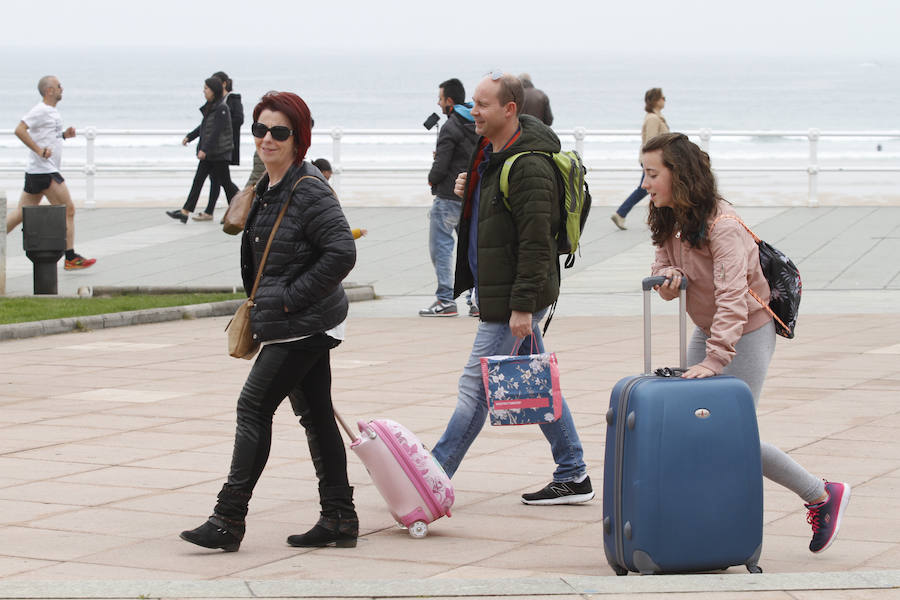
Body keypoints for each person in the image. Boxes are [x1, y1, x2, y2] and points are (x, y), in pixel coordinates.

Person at [645, 132, 850, 554]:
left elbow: (734, 299)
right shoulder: (668, 215)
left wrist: (716, 359)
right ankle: (704, 519)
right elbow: (664, 265)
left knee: (728, 434)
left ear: (678, 175)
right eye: (643, 173)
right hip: (709, 325)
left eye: (652, 174)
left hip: (749, 329)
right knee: (699, 429)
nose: (645, 184)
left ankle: (821, 494)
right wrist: (669, 282)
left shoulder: (723, 227)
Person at [179, 91, 359, 551]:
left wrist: (286, 300)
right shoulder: (269, 185)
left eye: (279, 131)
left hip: (303, 323)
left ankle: (228, 519)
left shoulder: (309, 187)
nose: (267, 139)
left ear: (299, 138)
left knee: (253, 407)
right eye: (260, 130)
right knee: (317, 416)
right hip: (295, 321)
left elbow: (342, 252)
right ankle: (339, 517)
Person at [431, 72, 593, 505]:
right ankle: (573, 472)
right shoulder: (497, 154)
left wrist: (521, 306)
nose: (473, 112)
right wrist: (470, 190)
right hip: (501, 293)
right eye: (473, 104)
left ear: (509, 110)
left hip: (513, 299)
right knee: (536, 383)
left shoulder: (529, 164)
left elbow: (537, 243)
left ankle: (432, 475)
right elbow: (498, 221)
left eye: (482, 105)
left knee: (475, 389)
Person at [6, 76, 96, 270]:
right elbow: (20, 130)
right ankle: (70, 257)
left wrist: (64, 135)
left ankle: (70, 257)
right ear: (49, 91)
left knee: (21, 213)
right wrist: (39, 151)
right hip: (44, 171)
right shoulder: (40, 110)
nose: (62, 88)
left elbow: (48, 136)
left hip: (37, 171)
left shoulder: (52, 112)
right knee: (68, 209)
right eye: (58, 86)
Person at [419, 78, 478, 318]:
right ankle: (476, 299)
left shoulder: (451, 126)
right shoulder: (477, 121)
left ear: (449, 101)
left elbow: (441, 166)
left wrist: (432, 178)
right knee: (471, 249)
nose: (438, 102)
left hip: (447, 196)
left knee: (442, 249)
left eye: (440, 98)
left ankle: (445, 299)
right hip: (471, 193)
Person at [166, 77, 239, 223]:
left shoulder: (221, 108)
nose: (204, 91)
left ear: (214, 90)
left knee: (226, 183)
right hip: (211, 154)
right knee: (198, 180)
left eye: (206, 88)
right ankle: (185, 211)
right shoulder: (211, 106)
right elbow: (204, 128)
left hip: (219, 154)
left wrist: (204, 149)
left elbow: (216, 131)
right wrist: (190, 137)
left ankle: (240, 208)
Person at [611, 87, 668, 230]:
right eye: (662, 97)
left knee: (650, 188)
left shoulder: (655, 117)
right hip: (654, 161)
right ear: (655, 100)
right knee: (649, 188)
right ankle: (621, 213)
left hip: (655, 160)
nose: (664, 100)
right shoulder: (653, 119)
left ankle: (622, 214)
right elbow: (651, 141)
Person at [196, 71, 244, 221]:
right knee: (217, 180)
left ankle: (237, 208)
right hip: (214, 149)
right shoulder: (215, 103)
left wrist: (225, 126)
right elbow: (205, 125)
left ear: (223, 84)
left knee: (223, 181)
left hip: (224, 147)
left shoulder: (231, 100)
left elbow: (237, 120)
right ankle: (215, 211)